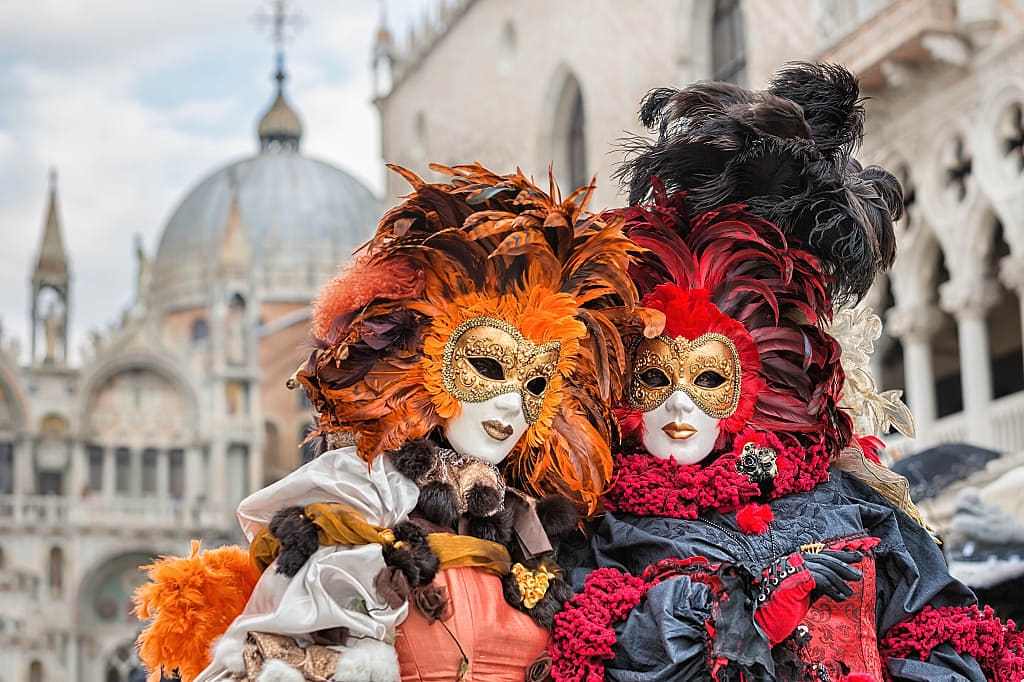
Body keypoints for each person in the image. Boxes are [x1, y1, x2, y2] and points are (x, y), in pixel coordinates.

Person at [551, 63, 1023, 682]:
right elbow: (609, 656)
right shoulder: (607, 530)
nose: (679, 409)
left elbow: (934, 630)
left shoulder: (843, 505)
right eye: (655, 380)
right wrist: (748, 618)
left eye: (709, 380)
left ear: (751, 388)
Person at [135, 163, 640, 682]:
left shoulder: (533, 525)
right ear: (424, 365)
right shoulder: (362, 504)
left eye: (535, 384)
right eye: (488, 367)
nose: (512, 404)